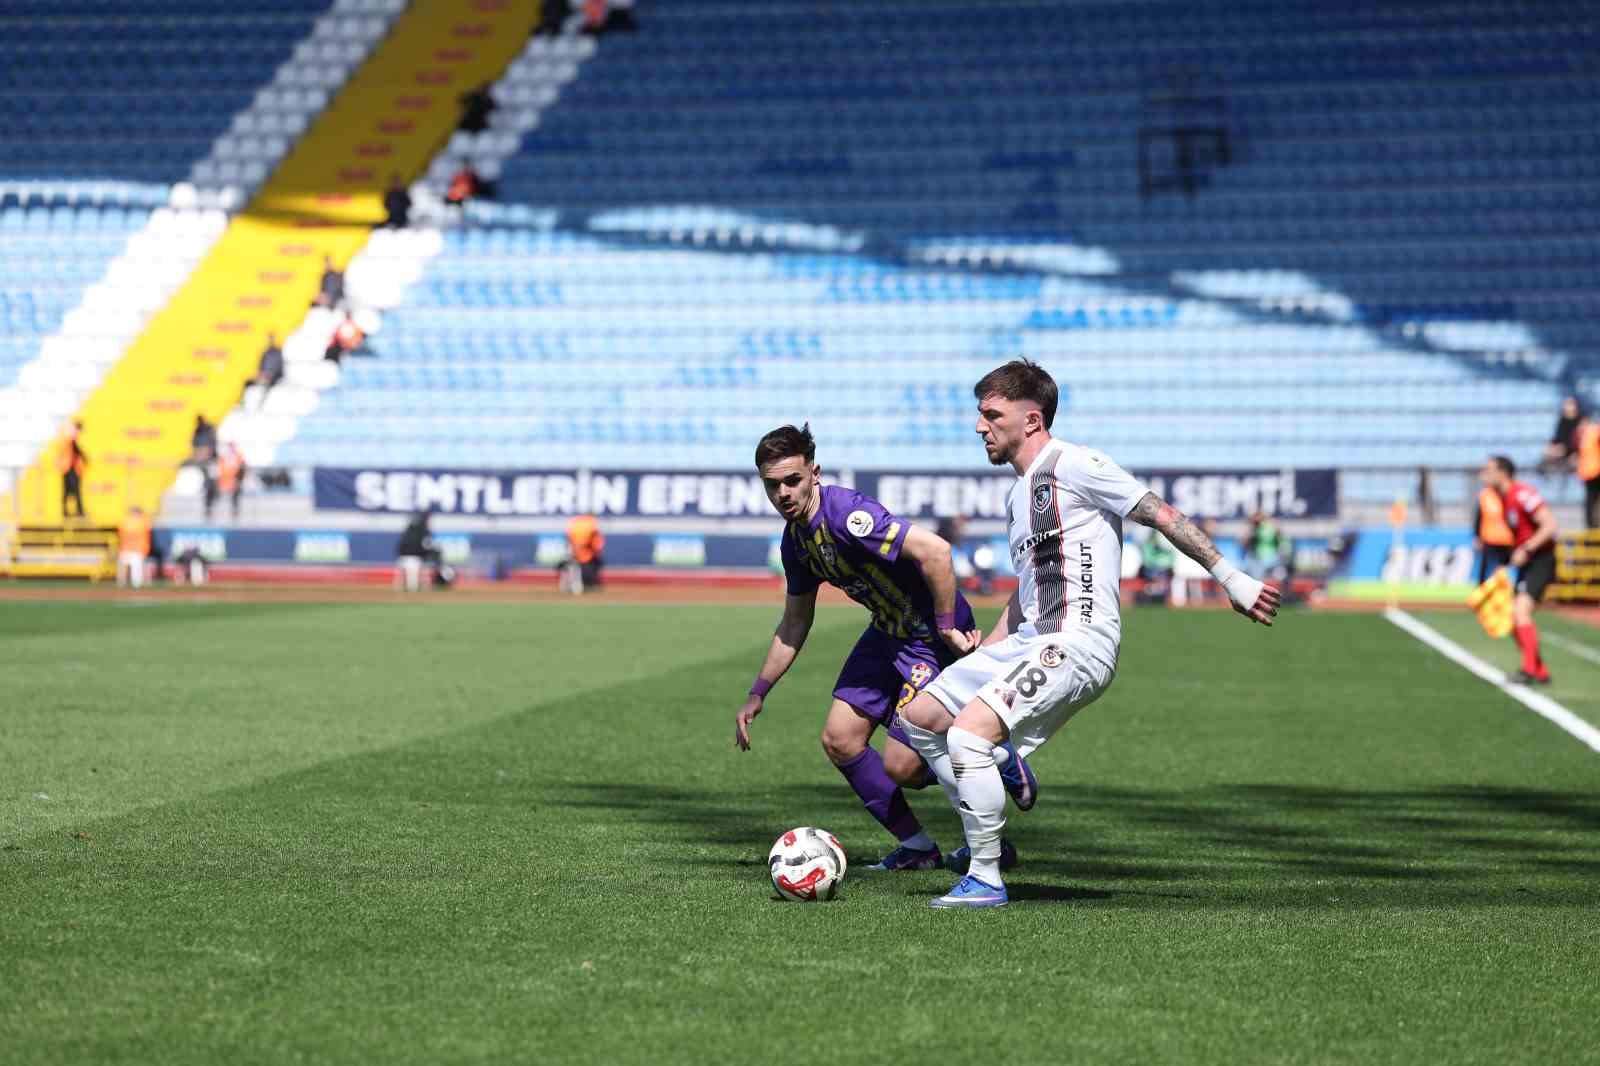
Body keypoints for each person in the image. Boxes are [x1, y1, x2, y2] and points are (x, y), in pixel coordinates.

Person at [897, 360, 1279, 908]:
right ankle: (1004, 775)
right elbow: (1027, 589)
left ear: (1031, 420)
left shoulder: (1076, 464)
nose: (979, 426)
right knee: (921, 720)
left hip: (1078, 643)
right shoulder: (1017, 496)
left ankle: (985, 874)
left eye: (991, 414)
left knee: (967, 737)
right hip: (1032, 639)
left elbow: (1160, 513)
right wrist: (991, 648)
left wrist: (1229, 575)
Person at [733, 424, 1038, 871]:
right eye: (772, 485)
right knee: (840, 740)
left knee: (903, 766)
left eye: (792, 480)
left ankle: (995, 768)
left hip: (931, 635)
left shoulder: (848, 516)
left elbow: (935, 552)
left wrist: (948, 625)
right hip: (886, 633)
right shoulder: (795, 541)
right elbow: (795, 621)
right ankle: (918, 849)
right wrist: (758, 692)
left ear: (814, 473)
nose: (783, 493)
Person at [1481, 455, 1559, 684]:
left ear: (1503, 473)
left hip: (1541, 559)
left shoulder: (1522, 493)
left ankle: (1528, 671)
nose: (1484, 474)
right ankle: (1540, 671)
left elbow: (1550, 524)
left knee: (1521, 611)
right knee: (1514, 616)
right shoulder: (1502, 497)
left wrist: (1527, 548)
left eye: (1489, 469)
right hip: (1528, 561)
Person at [1473, 474, 1515, 583]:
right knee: (1485, 570)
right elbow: (1479, 516)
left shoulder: (1511, 493)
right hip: (1488, 538)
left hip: (1507, 539)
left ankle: (1506, 592)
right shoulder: (1485, 494)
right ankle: (1481, 593)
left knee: (1505, 570)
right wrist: (1477, 536)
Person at [561, 513, 605, 593]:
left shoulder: (576, 523)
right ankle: (575, 586)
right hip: (583, 557)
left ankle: (573, 586)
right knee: (574, 569)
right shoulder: (590, 524)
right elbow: (596, 544)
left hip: (578, 554)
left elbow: (569, 537)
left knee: (572, 568)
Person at [395, 512, 437, 592]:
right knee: (413, 584)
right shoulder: (423, 531)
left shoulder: (408, 531)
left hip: (404, 558)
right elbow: (427, 546)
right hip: (414, 558)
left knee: (410, 575)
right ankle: (414, 591)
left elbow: (400, 547)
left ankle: (403, 588)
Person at [1540, 395, 1582, 474]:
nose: (1567, 407)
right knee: (1547, 453)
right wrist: (1552, 446)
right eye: (1566, 404)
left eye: (1570, 404)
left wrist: (1568, 450)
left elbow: (1580, 441)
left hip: (1575, 451)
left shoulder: (1581, 421)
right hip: (1563, 450)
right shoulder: (1562, 420)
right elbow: (1557, 437)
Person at [207, 442, 246, 523]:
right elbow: (216, 471)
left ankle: (235, 512)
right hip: (221, 482)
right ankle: (209, 511)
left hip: (233, 483)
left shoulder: (239, 457)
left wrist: (237, 480)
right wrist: (217, 480)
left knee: (237, 489)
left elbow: (242, 470)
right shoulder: (221, 457)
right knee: (210, 487)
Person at [56, 420, 87, 518]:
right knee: (74, 491)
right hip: (69, 468)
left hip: (67, 467)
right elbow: (76, 450)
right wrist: (84, 458)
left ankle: (67, 511)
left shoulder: (66, 439)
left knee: (68, 491)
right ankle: (78, 511)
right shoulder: (69, 439)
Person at [1575, 410, 1600, 529]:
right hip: (1592, 472)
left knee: (1592, 502)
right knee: (1591, 502)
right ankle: (1592, 527)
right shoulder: (1589, 433)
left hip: (1593, 472)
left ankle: (1592, 526)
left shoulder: (1591, 432)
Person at [117, 506, 152, 589]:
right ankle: (132, 584)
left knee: (132, 569)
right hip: (133, 549)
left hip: (134, 549)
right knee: (134, 570)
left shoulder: (126, 522)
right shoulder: (142, 522)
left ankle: (126, 584)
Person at [245, 332, 284, 406]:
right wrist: (260, 374)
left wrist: (272, 375)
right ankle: (244, 403)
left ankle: (262, 404)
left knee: (267, 386)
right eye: (269, 339)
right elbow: (260, 367)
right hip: (264, 375)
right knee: (248, 382)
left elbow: (280, 368)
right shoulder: (265, 353)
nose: (270, 340)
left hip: (274, 377)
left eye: (272, 338)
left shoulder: (278, 352)